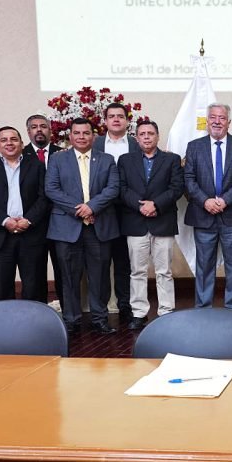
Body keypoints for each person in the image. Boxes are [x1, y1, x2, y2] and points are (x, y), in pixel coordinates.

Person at [45, 118, 121, 334]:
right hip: (67, 228)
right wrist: (80, 209)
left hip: (99, 227)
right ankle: (71, 320)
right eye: (76, 133)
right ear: (70, 136)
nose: (81, 137)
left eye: (85, 133)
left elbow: (113, 188)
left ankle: (99, 319)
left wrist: (92, 207)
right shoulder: (58, 159)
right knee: (69, 277)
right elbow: (51, 189)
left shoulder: (107, 160)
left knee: (99, 277)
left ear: (93, 136)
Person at [183, 103, 232, 310]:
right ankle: (203, 308)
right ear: (207, 121)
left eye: (222, 118)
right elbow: (188, 178)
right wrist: (205, 200)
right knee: (204, 266)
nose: (217, 121)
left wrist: (225, 200)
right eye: (213, 117)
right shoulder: (194, 146)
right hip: (203, 214)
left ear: (229, 122)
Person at [117, 121, 184, 329]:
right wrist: (141, 207)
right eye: (142, 134)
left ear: (157, 136)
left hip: (162, 221)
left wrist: (156, 204)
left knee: (164, 271)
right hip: (135, 222)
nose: (146, 137)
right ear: (136, 138)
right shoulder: (125, 160)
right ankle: (138, 313)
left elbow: (177, 188)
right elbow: (121, 188)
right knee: (137, 271)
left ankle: (165, 311)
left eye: (150, 133)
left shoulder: (171, 159)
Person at [0, 126, 50, 301]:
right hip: (0, 235)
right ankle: (7, 326)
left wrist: (29, 220)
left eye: (13, 139)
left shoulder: (37, 166)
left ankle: (34, 325)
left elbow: (44, 198)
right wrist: (5, 221)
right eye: (4, 140)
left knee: (34, 285)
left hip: (31, 234)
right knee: (3, 286)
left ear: (22, 143)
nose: (9, 143)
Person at [94, 102, 140, 324]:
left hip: (129, 210)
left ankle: (125, 305)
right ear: (105, 121)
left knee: (124, 262)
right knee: (101, 261)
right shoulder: (94, 144)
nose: (116, 120)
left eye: (120, 116)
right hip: (101, 211)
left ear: (127, 121)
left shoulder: (136, 143)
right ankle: (100, 309)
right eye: (111, 116)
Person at [23, 114, 63, 304]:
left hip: (60, 221)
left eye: (43, 126)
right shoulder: (19, 155)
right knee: (34, 272)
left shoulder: (63, 154)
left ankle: (68, 312)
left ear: (50, 130)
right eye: (34, 127)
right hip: (33, 223)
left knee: (63, 269)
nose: (39, 130)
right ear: (28, 132)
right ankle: (37, 311)